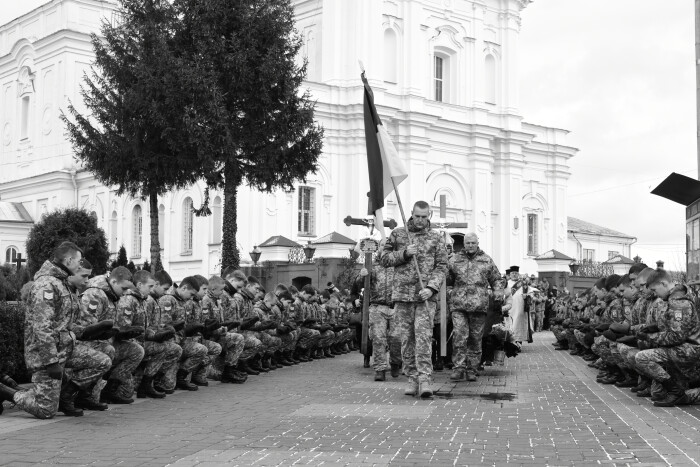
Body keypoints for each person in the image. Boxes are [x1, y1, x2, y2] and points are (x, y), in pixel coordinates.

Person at [0, 242, 110, 419]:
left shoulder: (62, 282)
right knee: (46, 411)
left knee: (102, 361)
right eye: (78, 261)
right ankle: (7, 392)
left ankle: (66, 396)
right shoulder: (46, 284)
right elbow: (42, 327)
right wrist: (51, 362)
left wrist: (90, 331)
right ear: (68, 260)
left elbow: (65, 323)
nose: (80, 264)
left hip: (65, 349)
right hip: (45, 356)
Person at [381, 200, 447, 398]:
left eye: (424, 217)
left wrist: (432, 287)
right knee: (406, 339)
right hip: (402, 296)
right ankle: (412, 378)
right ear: (411, 213)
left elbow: (442, 265)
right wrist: (403, 253)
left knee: (424, 337)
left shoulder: (436, 238)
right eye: (417, 216)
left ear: (430, 216)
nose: (420, 220)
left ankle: (425, 378)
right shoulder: (399, 234)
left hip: (425, 297)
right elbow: (383, 258)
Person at [81, 266, 143, 404]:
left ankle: (110, 388)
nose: (125, 293)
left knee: (136, 350)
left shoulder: (114, 296)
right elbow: (86, 327)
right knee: (108, 350)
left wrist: (123, 332)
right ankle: (85, 392)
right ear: (114, 282)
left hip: (106, 342)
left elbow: (114, 324)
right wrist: (108, 331)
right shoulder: (95, 294)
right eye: (124, 288)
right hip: (91, 343)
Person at [446, 232, 502, 382]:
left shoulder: (486, 260)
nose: (470, 245)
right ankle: (458, 368)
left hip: (479, 306)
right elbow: (447, 280)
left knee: (475, 338)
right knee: (459, 335)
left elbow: (496, 279)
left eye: (473, 243)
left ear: (478, 243)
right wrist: (450, 293)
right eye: (468, 243)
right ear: (464, 244)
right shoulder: (455, 260)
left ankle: (472, 369)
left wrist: (498, 292)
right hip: (459, 305)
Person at [357, 242, 401, 382]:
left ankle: (395, 362)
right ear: (379, 249)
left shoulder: (399, 265)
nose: (384, 248)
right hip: (378, 306)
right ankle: (380, 369)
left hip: (396, 306)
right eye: (382, 245)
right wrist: (361, 276)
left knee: (396, 338)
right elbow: (359, 284)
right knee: (378, 339)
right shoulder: (372, 266)